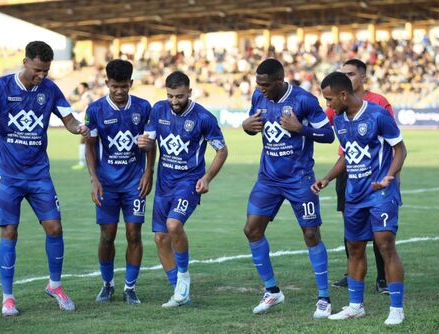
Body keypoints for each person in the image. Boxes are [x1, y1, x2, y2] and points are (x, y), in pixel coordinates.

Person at [0, 41, 90, 316]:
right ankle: (8, 298)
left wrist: (80, 128)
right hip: (7, 175)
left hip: (39, 173)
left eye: (47, 70)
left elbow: (68, 120)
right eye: (39, 69)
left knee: (54, 228)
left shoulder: (50, 89)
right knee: (9, 231)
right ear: (26, 61)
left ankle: (55, 285)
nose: (42, 75)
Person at [241, 58, 335, 317]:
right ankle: (272, 292)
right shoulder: (259, 97)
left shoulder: (304, 100)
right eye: (258, 84)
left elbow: (328, 135)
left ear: (280, 81)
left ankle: (324, 298)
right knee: (251, 229)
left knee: (311, 235)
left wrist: (300, 129)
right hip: (268, 179)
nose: (261, 89)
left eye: (266, 85)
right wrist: (246, 127)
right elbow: (255, 126)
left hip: (299, 179)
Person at [313, 71, 406, 325]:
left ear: (344, 94)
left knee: (386, 245)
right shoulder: (340, 121)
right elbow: (346, 156)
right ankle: (355, 306)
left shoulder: (377, 115)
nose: (327, 105)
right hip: (354, 195)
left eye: (330, 99)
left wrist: (389, 175)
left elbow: (400, 149)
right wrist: (328, 178)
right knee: (354, 249)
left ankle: (396, 308)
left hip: (380, 193)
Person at [138, 71, 228, 307]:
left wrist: (207, 177)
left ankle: (184, 277)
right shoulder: (158, 110)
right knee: (160, 238)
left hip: (189, 181)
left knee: (173, 225)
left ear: (189, 92)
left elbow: (222, 150)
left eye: (179, 96)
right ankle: (179, 289)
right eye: (170, 96)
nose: (174, 101)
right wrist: (145, 146)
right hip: (164, 183)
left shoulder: (203, 117)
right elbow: (150, 140)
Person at [85, 59, 155, 304]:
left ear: (131, 84)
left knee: (134, 234)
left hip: (135, 183)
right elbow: (90, 148)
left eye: (124, 86)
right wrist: (94, 180)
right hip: (107, 183)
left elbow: (150, 143)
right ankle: (107, 284)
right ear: (107, 83)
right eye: (114, 86)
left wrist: (149, 173)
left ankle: (130, 287)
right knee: (107, 235)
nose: (119, 91)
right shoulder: (95, 110)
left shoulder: (144, 107)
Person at [327, 59, 395, 294]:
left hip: (376, 173)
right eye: (343, 73)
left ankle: (383, 278)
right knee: (352, 229)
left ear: (363, 77)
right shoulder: (335, 105)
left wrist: (391, 175)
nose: (347, 77)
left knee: (380, 231)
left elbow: (393, 142)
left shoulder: (379, 104)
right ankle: (352, 276)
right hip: (348, 171)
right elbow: (324, 129)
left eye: (352, 73)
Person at [71, 82, 94, 170]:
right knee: (87, 142)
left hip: (89, 123)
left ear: (86, 88)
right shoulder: (84, 97)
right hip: (87, 122)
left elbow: (82, 105)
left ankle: (82, 162)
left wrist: (72, 106)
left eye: (81, 88)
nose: (79, 89)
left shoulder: (87, 97)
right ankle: (86, 162)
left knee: (84, 141)